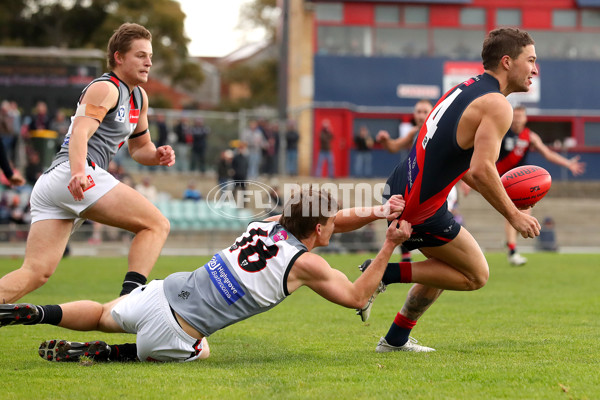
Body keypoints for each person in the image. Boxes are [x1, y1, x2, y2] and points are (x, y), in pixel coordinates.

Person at [0, 189, 411, 363]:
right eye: (330, 225)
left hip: (162, 290)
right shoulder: (307, 265)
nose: (334, 228)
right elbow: (359, 297)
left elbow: (330, 218)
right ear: (319, 230)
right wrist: (388, 243)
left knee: (104, 313)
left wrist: (376, 212)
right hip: (175, 329)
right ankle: (107, 354)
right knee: (203, 349)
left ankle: (38, 312)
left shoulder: (268, 223)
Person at [357, 27, 542, 353]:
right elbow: (481, 169)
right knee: (476, 275)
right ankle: (384, 273)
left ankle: (395, 340)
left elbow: (458, 160)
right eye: (531, 60)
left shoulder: (464, 88)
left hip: (402, 186)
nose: (536, 69)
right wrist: (514, 214)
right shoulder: (498, 106)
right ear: (507, 62)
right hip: (418, 205)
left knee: (445, 269)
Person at [0, 23, 175, 304]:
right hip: (75, 173)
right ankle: (130, 301)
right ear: (119, 57)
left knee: (36, 272)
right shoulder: (106, 88)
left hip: (58, 182)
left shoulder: (139, 97)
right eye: (140, 55)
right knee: (156, 225)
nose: (149, 62)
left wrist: (157, 155)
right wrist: (80, 172)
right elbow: (80, 132)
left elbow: (141, 147)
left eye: (150, 56)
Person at [496, 105, 585, 266]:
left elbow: (547, 153)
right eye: (514, 116)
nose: (517, 119)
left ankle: (510, 245)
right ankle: (512, 250)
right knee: (511, 215)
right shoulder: (501, 131)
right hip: (503, 180)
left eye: (520, 116)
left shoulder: (529, 136)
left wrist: (568, 163)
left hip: (523, 183)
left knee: (524, 217)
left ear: (525, 119)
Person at [377, 99, 434, 263]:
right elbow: (395, 147)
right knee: (398, 214)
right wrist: (386, 141)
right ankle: (406, 256)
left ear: (432, 113)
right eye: (418, 112)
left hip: (435, 184)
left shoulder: (437, 131)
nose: (421, 115)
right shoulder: (414, 132)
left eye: (425, 112)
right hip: (416, 182)